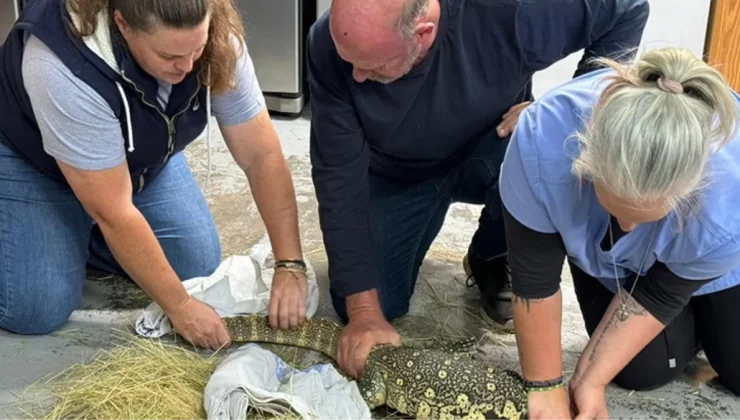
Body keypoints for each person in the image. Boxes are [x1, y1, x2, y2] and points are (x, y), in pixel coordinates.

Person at [306, 0, 650, 378]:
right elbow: (338, 176)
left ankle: (491, 254)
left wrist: (570, 112)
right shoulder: (330, 45)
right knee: (363, 303)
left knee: (547, 154)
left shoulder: (513, 11)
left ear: (424, 33)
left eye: (372, 65)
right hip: (396, 174)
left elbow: (627, 8)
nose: (355, 76)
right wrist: (364, 312)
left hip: (493, 148)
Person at [0, 0, 310, 349]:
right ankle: (47, 225)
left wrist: (290, 263)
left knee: (194, 264)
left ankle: (73, 233)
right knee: (38, 307)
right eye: (169, 57)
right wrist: (179, 307)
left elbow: (261, 155)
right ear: (123, 24)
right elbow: (114, 211)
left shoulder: (216, 35)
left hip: (136, 155)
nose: (188, 65)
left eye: (197, 48)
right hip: (33, 159)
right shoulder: (59, 62)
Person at [499, 46, 740, 419]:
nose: (626, 228)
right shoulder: (542, 141)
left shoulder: (730, 197)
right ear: (586, 158)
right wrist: (549, 387)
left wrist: (591, 379)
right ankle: (685, 332)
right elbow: (533, 280)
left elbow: (664, 291)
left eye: (644, 217)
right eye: (616, 209)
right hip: (621, 261)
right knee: (640, 371)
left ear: (691, 189)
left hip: (717, 254)